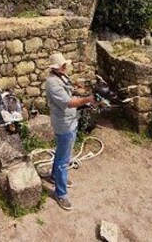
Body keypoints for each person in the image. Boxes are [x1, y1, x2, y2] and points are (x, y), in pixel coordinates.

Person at [45, 53, 95, 211]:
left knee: (61, 153)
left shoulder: (60, 77)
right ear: (58, 67)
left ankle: (54, 177)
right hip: (64, 124)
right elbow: (68, 102)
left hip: (70, 121)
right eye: (64, 65)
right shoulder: (52, 83)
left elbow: (70, 95)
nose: (66, 67)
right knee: (63, 160)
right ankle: (61, 194)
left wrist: (83, 100)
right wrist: (88, 99)